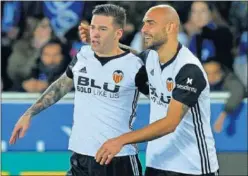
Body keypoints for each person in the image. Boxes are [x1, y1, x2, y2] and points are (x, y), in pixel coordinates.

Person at [9, 4, 149, 176]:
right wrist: (29, 113)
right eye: (93, 27)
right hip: (81, 156)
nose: (95, 33)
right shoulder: (83, 55)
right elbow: (60, 86)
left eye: (103, 29)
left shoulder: (135, 64)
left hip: (117, 159)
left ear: (118, 34)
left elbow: (161, 101)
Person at [82, 5, 219, 176]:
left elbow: (170, 124)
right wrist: (100, 40)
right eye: (144, 23)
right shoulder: (150, 58)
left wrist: (121, 140)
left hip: (193, 168)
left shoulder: (188, 69)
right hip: (156, 165)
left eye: (150, 23)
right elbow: (123, 56)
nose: (143, 29)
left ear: (170, 27)